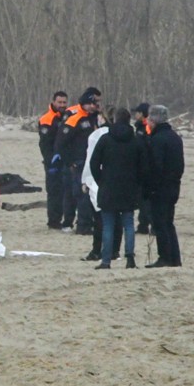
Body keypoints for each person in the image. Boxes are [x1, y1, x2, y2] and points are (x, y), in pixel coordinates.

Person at [90, 108, 146, 269]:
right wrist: (137, 184)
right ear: (129, 121)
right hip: (129, 187)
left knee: (108, 224)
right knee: (128, 223)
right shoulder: (136, 141)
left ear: (114, 120)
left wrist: (101, 180)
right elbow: (143, 167)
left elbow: (94, 163)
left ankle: (106, 260)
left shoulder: (105, 139)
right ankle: (130, 258)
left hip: (108, 186)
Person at [54, 92, 101, 234]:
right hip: (79, 162)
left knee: (91, 193)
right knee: (80, 194)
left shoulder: (94, 118)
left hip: (92, 161)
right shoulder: (74, 119)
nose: (95, 106)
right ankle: (82, 225)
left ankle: (89, 222)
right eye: (93, 103)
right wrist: (70, 162)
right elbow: (60, 143)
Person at [81, 106, 123, 262]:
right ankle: (115, 250)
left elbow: (90, 160)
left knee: (99, 218)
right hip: (119, 180)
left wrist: (85, 180)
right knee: (117, 217)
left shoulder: (96, 136)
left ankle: (97, 250)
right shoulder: (124, 134)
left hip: (98, 181)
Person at [144, 104, 184, 267]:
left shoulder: (157, 139)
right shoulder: (175, 137)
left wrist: (150, 187)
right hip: (174, 186)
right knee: (168, 222)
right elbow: (180, 165)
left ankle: (165, 257)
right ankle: (175, 258)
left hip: (160, 188)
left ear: (153, 120)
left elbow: (155, 167)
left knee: (160, 223)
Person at [38, 91, 69, 230]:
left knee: (65, 191)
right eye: (60, 102)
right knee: (54, 191)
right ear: (53, 102)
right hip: (52, 161)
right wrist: (50, 162)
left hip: (65, 160)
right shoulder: (47, 119)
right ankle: (53, 221)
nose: (62, 105)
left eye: (64, 102)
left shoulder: (67, 117)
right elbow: (44, 145)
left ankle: (63, 218)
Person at [132, 103, 152, 234]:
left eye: (137, 112)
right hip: (141, 166)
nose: (135, 115)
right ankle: (143, 223)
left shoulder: (146, 128)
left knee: (144, 198)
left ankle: (144, 223)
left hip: (144, 167)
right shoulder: (140, 127)